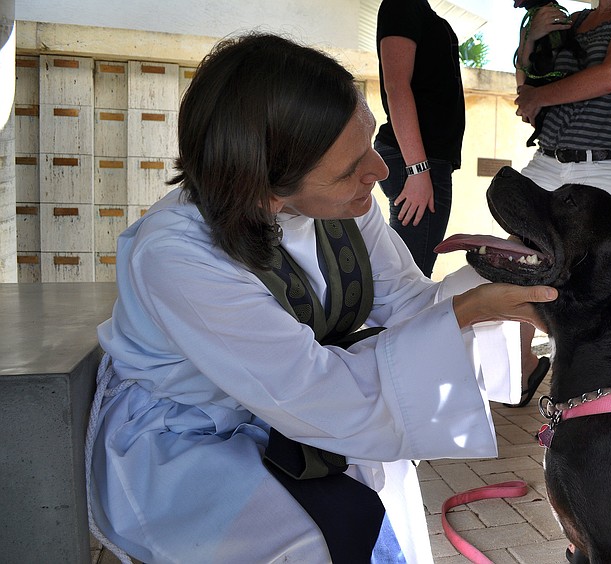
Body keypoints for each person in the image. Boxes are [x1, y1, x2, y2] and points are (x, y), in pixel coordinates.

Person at [86, 33, 556, 564]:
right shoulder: (177, 256)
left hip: (298, 405)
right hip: (191, 433)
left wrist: (496, 273)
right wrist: (470, 312)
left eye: (372, 141)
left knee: (371, 511)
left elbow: (409, 304)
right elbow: (314, 391)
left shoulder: (345, 205)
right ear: (265, 189)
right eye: (349, 167)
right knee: (301, 546)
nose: (379, 172)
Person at [509, 0, 611, 407]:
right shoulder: (574, 20)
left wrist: (539, 97)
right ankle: (522, 370)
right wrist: (529, 43)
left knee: (584, 279)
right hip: (548, 158)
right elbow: (527, 91)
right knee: (516, 261)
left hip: (607, 162)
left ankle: (584, 392)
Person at [374, 0, 465, 279]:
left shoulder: (418, 10)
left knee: (411, 274)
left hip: (423, 160)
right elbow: (396, 87)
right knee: (411, 279)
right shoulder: (402, 5)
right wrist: (417, 169)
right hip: (416, 160)